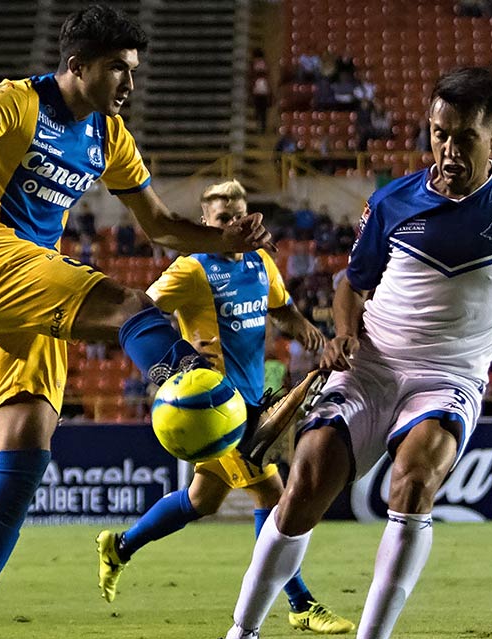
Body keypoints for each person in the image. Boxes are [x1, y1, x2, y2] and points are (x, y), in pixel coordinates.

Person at [221, 68, 492, 639]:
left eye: (464, 137)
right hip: (371, 367)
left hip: (448, 377)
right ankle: (242, 631)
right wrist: (341, 332)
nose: (448, 150)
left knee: (413, 479)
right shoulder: (392, 200)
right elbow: (351, 285)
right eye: (438, 134)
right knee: (305, 478)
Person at [0, 7, 273, 638]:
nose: (128, 84)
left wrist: (223, 239)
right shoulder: (17, 102)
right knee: (134, 308)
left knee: (26, 449)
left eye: (133, 71)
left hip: (31, 281)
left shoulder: (109, 135)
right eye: (117, 69)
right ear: (76, 67)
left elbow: (160, 227)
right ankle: (192, 387)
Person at [94, 180, 351, 633]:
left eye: (238, 217)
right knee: (273, 497)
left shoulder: (260, 261)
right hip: (217, 408)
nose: (233, 225)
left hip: (253, 402)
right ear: (205, 224)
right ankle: (301, 604)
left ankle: (120, 546)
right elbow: (140, 312)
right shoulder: (192, 269)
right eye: (221, 220)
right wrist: (170, 369)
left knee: (202, 500)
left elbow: (282, 309)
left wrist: (307, 331)